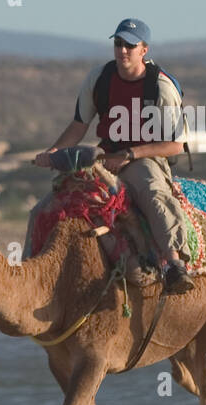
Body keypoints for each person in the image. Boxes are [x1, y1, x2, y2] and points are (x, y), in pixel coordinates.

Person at [35, 17, 195, 294]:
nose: (123, 51)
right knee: (54, 201)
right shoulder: (100, 79)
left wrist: (130, 154)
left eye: (130, 46)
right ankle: (36, 269)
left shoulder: (161, 87)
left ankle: (173, 264)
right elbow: (79, 124)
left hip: (146, 155)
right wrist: (53, 153)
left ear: (144, 50)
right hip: (105, 155)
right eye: (118, 43)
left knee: (153, 192)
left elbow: (176, 145)